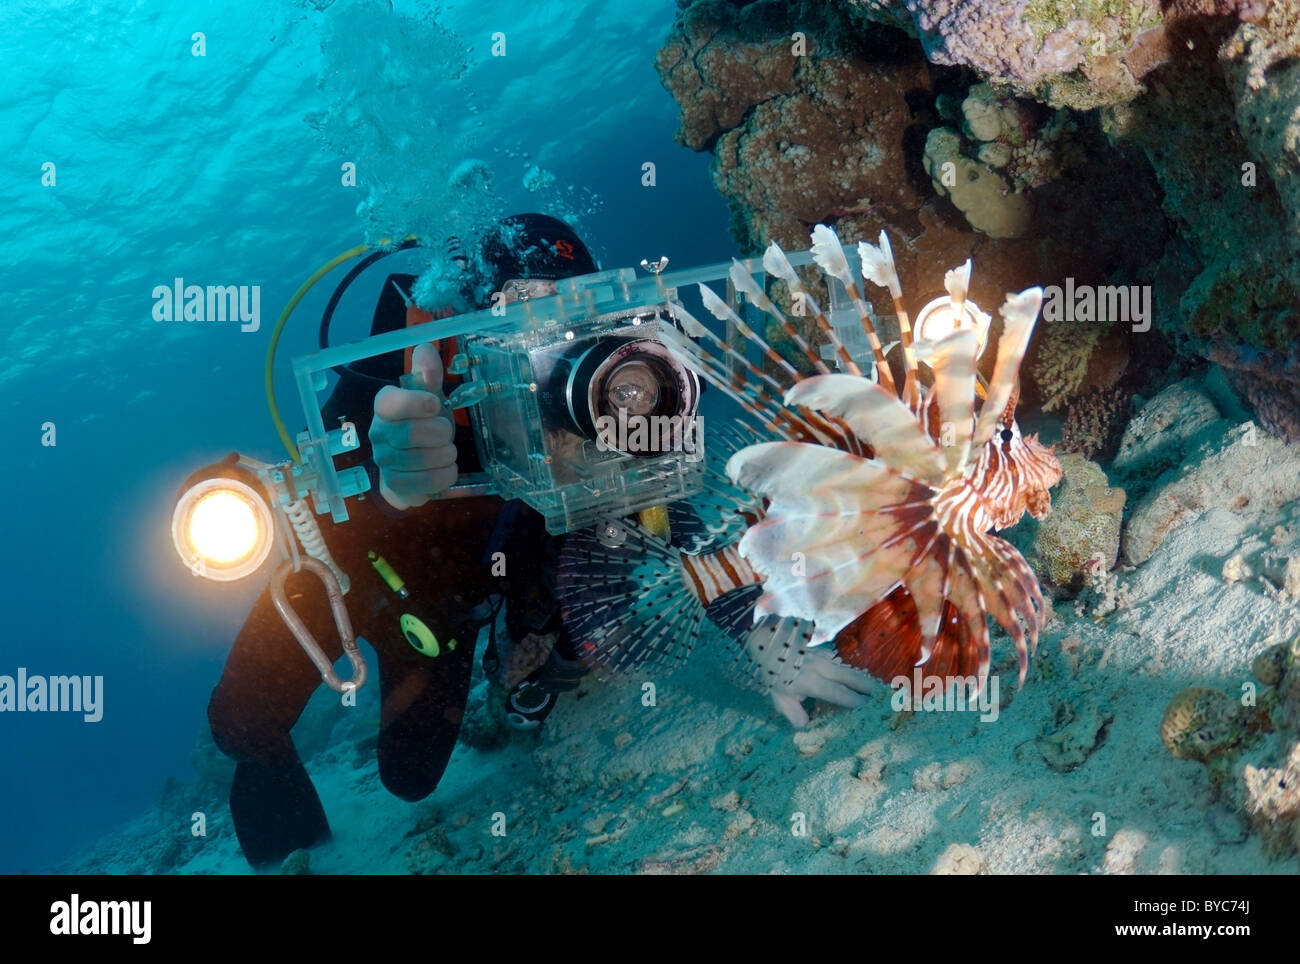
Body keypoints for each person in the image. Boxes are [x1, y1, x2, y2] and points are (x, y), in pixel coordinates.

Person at [207, 214, 595, 868]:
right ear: (472, 309)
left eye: (571, 311)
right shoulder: (392, 367)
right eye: (521, 309)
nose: (545, 337)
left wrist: (545, 632)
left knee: (409, 779)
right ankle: (282, 802)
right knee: (238, 724)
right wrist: (390, 484)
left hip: (444, 614)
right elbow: (313, 488)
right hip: (345, 580)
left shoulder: (597, 387)